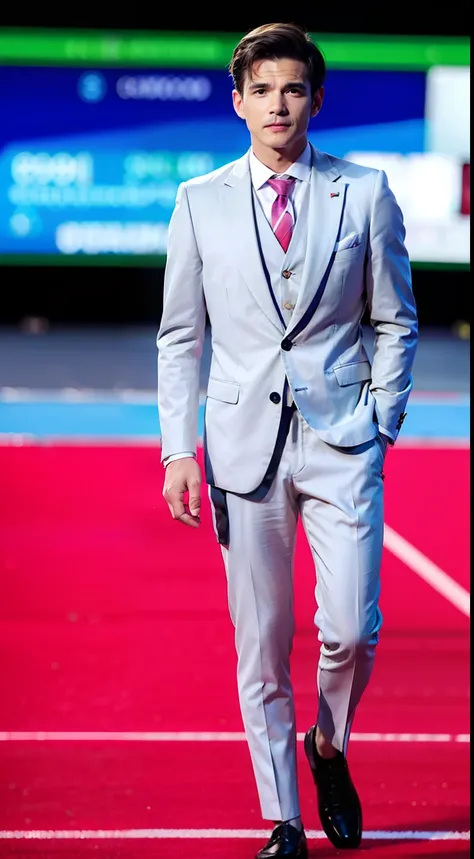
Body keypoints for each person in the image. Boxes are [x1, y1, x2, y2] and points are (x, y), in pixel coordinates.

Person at [157, 21, 418, 859]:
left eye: (293, 88)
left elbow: (395, 319)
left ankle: (329, 746)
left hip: (344, 441)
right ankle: (283, 818)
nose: (278, 103)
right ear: (238, 102)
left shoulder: (366, 191)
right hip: (241, 447)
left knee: (351, 628)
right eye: (262, 89)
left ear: (315, 98)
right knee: (262, 644)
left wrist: (382, 419)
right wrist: (177, 449)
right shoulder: (197, 200)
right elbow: (180, 336)